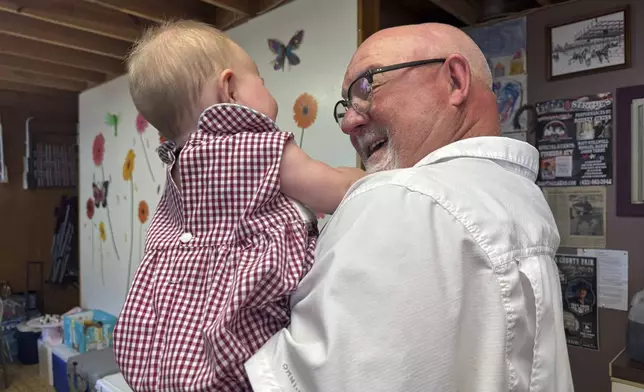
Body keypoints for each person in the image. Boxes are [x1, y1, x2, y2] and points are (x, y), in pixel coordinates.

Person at [245, 23, 574, 391]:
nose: (349, 122)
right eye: (346, 106)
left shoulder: (400, 198)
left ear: (454, 79)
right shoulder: (517, 200)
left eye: (366, 87)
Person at [112, 20, 364, 391]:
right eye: (260, 79)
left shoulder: (179, 169)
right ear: (229, 88)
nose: (266, 88)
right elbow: (335, 189)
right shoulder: (258, 149)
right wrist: (380, 175)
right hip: (244, 349)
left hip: (173, 359)